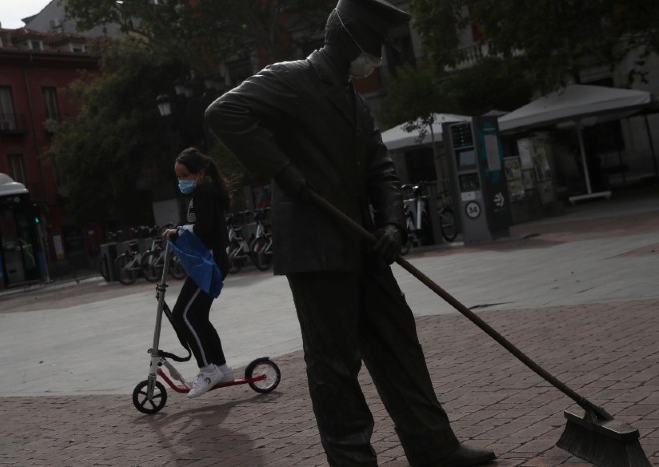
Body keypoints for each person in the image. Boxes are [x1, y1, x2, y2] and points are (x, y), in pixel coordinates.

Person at [204, 1, 496, 465]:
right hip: (316, 249)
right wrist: (283, 169)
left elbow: (382, 168)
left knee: (399, 344)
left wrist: (393, 223)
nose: (377, 57)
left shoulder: (355, 101)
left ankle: (434, 447)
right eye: (374, 45)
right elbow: (223, 112)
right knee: (334, 366)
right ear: (350, 38)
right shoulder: (291, 78)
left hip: (364, 244)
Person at [161, 147, 234, 398]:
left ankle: (207, 370)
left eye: (185, 175)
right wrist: (181, 230)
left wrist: (179, 231)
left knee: (183, 315)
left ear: (200, 173)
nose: (181, 181)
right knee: (198, 317)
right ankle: (221, 368)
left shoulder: (204, 193)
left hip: (209, 263)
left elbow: (204, 228)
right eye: (178, 177)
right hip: (209, 262)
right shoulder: (201, 193)